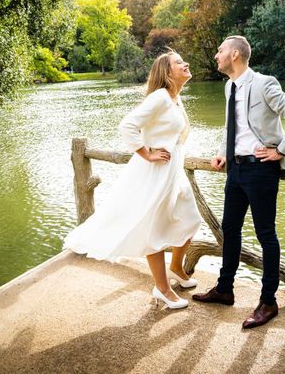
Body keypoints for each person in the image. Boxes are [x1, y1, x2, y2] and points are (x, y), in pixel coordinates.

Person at [63, 50, 201, 309]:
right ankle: (163, 289)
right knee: (154, 228)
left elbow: (174, 135)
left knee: (191, 220)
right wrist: (146, 152)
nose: (186, 64)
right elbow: (127, 125)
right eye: (179, 62)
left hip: (173, 173)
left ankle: (176, 267)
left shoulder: (175, 99)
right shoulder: (160, 97)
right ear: (167, 72)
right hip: (155, 174)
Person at [193, 35, 285, 328]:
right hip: (235, 169)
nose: (216, 55)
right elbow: (231, 126)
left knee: (265, 234)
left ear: (234, 54)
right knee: (229, 230)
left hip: (261, 170)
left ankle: (268, 302)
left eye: (220, 50)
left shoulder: (264, 83)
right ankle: (224, 289)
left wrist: (281, 150)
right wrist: (222, 152)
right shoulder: (228, 86)